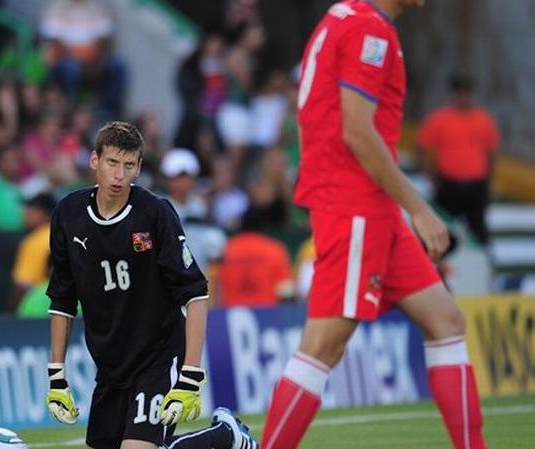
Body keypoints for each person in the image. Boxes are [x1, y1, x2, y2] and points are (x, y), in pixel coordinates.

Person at [260, 2, 487, 449]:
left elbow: (319, 119)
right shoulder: (370, 31)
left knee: (446, 320)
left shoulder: (341, 16)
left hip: (367, 204)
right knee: (323, 346)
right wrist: (420, 208)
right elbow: (357, 132)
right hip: (355, 207)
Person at [45, 121, 258, 449]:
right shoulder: (68, 214)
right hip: (110, 364)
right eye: (112, 163)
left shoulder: (154, 213)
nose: (119, 175)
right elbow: (61, 298)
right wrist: (56, 374)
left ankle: (229, 437)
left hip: (158, 355)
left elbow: (196, 292)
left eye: (128, 165)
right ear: (94, 161)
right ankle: (223, 437)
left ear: (139, 168)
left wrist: (190, 375)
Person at [417, 75, 500, 245]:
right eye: (459, 93)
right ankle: (437, 265)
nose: (463, 97)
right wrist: (431, 177)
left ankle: (482, 266)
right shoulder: (440, 119)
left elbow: (491, 152)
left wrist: (489, 180)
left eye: (466, 93)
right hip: (449, 184)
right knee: (441, 228)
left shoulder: (483, 120)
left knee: (478, 231)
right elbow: (423, 147)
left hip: (476, 185)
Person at [9, 192, 57, 313]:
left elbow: (22, 286)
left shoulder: (35, 241)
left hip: (40, 306)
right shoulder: (68, 234)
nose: (25, 213)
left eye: (32, 210)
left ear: (45, 214)